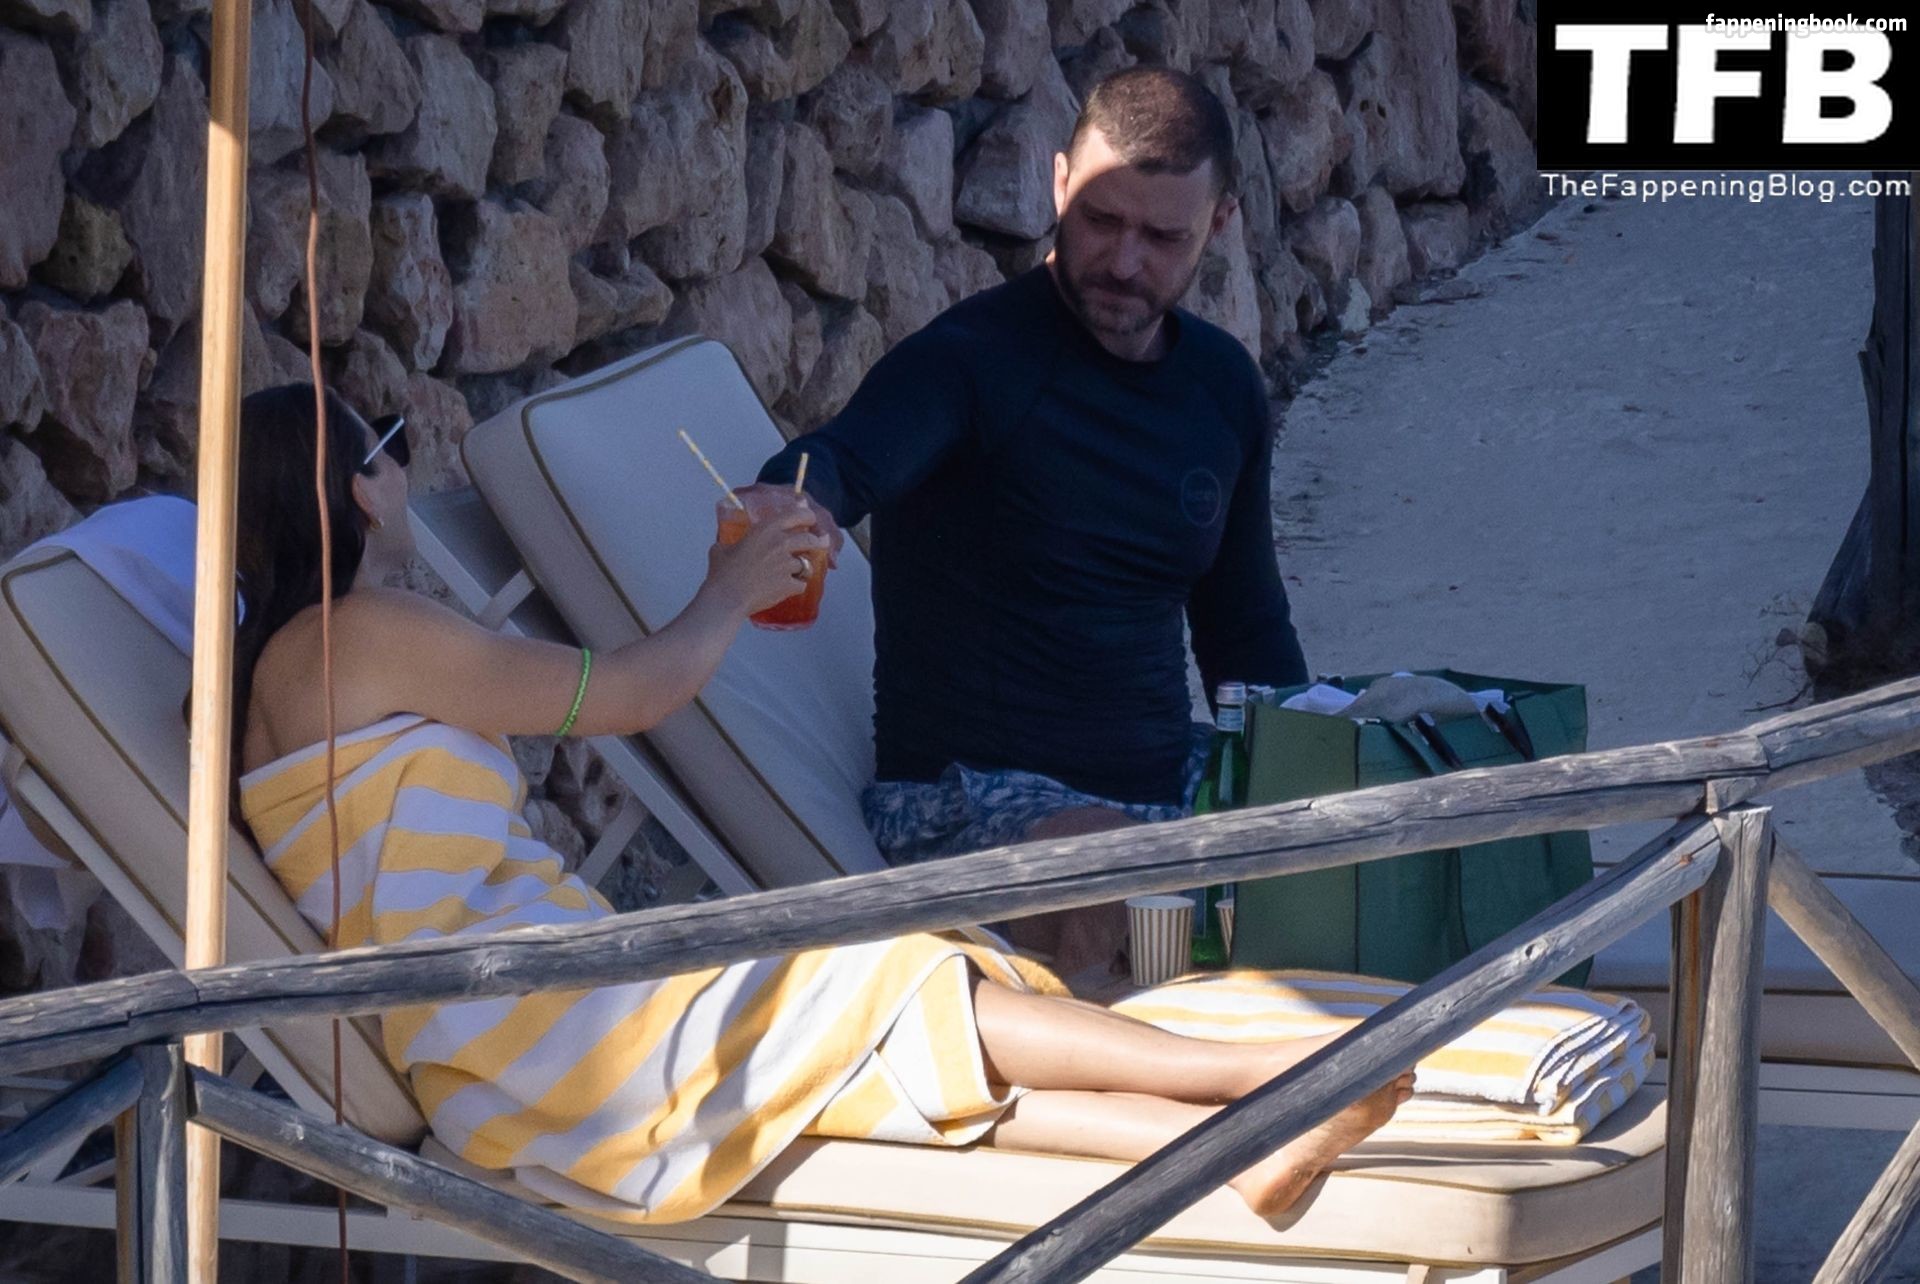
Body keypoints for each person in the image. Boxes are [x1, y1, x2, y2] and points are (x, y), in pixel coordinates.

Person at [230, 383, 1410, 1223]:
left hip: (505, 1033)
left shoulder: (285, 666)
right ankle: (1249, 1074)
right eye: (390, 448)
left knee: (880, 1057)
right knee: (888, 971)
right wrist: (729, 589)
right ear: (360, 491)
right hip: (530, 1025)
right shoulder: (360, 634)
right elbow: (631, 693)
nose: (404, 470)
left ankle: (1223, 1148)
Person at [754, 67, 1305, 980]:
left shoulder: (1221, 387)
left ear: (1219, 223)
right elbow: (843, 459)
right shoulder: (971, 362)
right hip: (973, 809)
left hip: (1160, 794)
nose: (1123, 261)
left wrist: (1315, 780)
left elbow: (1245, 630)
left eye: (1161, 236)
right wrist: (791, 502)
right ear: (1057, 186)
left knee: (1385, 824)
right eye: (1100, 220)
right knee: (1117, 879)